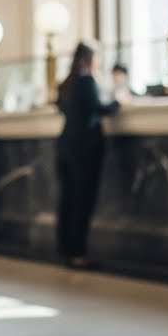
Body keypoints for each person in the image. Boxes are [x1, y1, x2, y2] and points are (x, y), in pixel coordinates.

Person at [54, 41, 120, 269]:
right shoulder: (86, 80)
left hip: (65, 146)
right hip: (84, 149)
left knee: (68, 200)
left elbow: (61, 107)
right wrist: (117, 102)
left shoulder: (67, 83)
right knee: (82, 201)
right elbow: (98, 109)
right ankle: (78, 252)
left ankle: (65, 249)